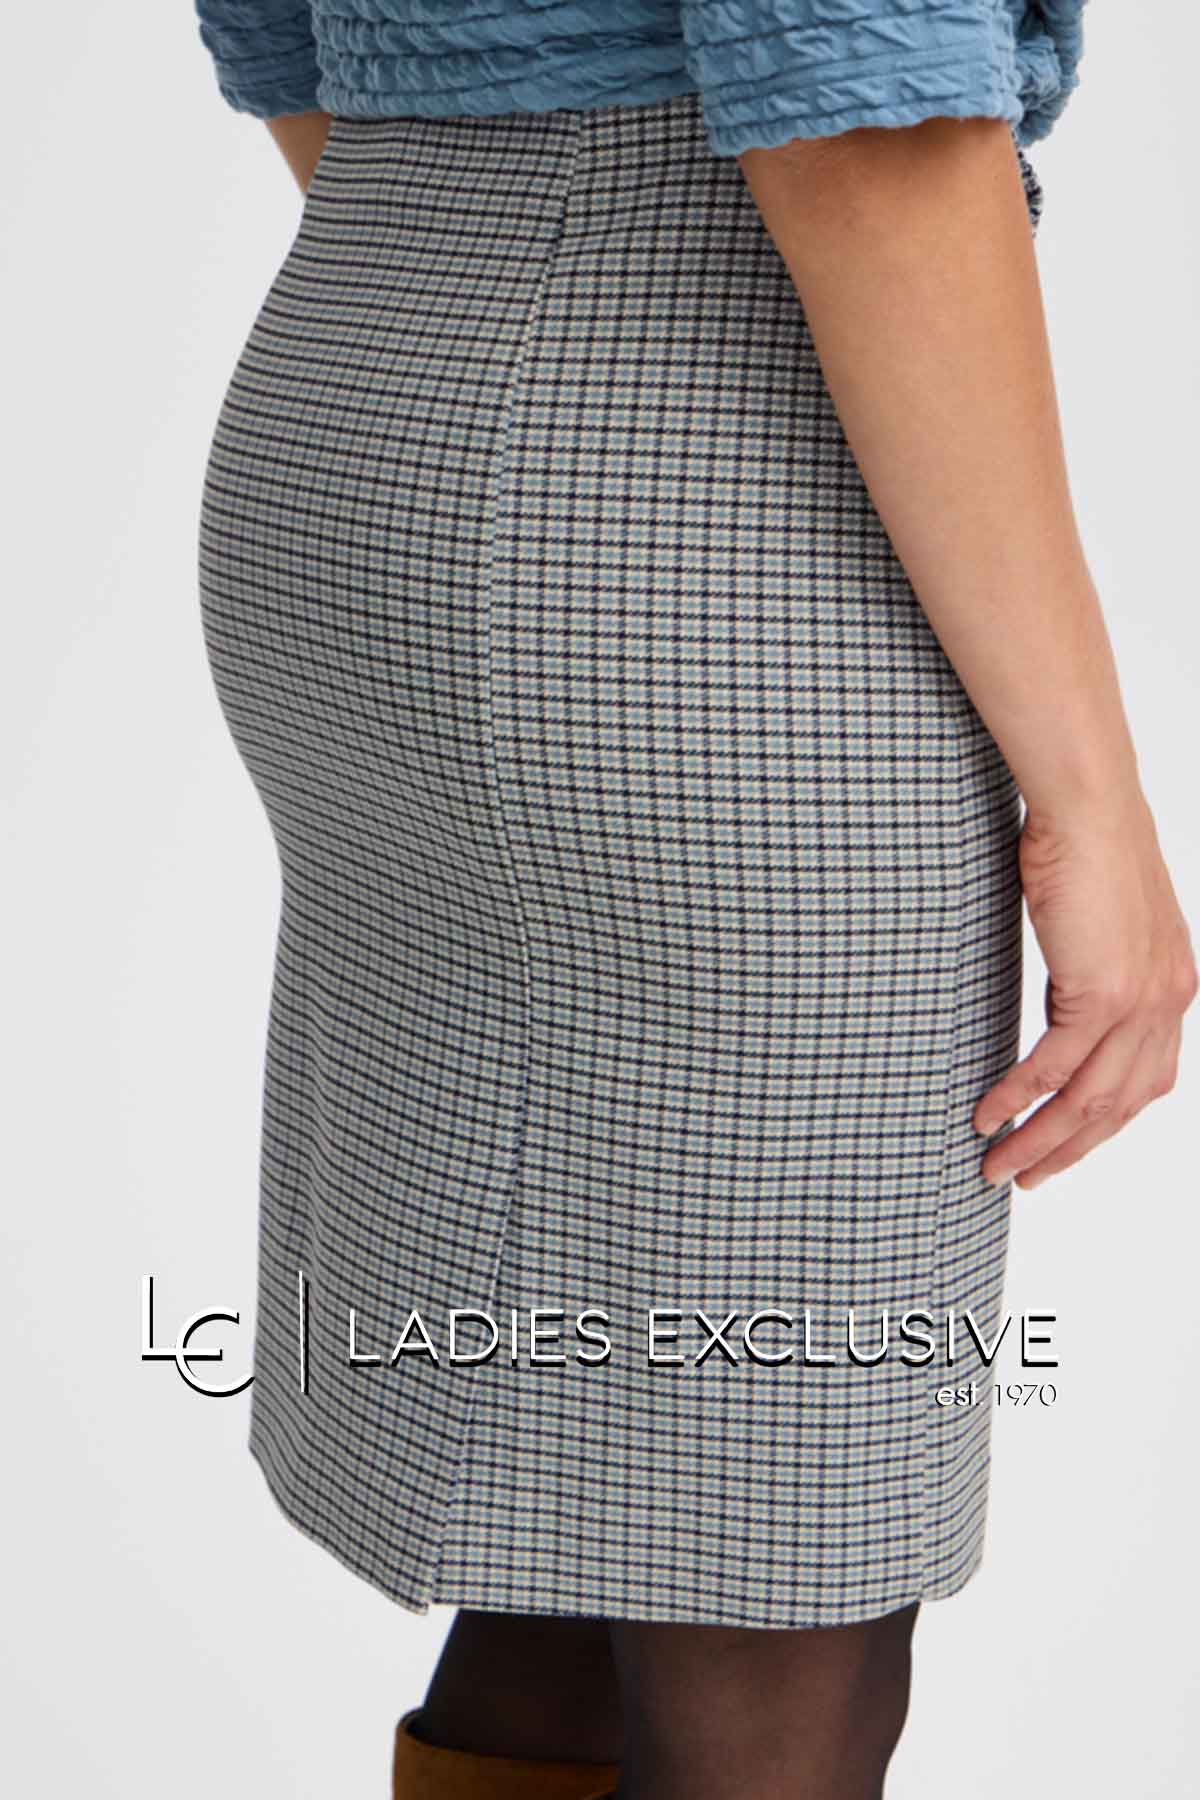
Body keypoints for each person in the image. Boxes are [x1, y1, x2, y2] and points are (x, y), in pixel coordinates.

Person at [191, 2, 1195, 1795]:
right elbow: (866, 138)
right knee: (782, 1524)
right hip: (692, 454)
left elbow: (279, 36)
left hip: (370, 390)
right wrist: (1096, 807)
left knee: (604, 1459)